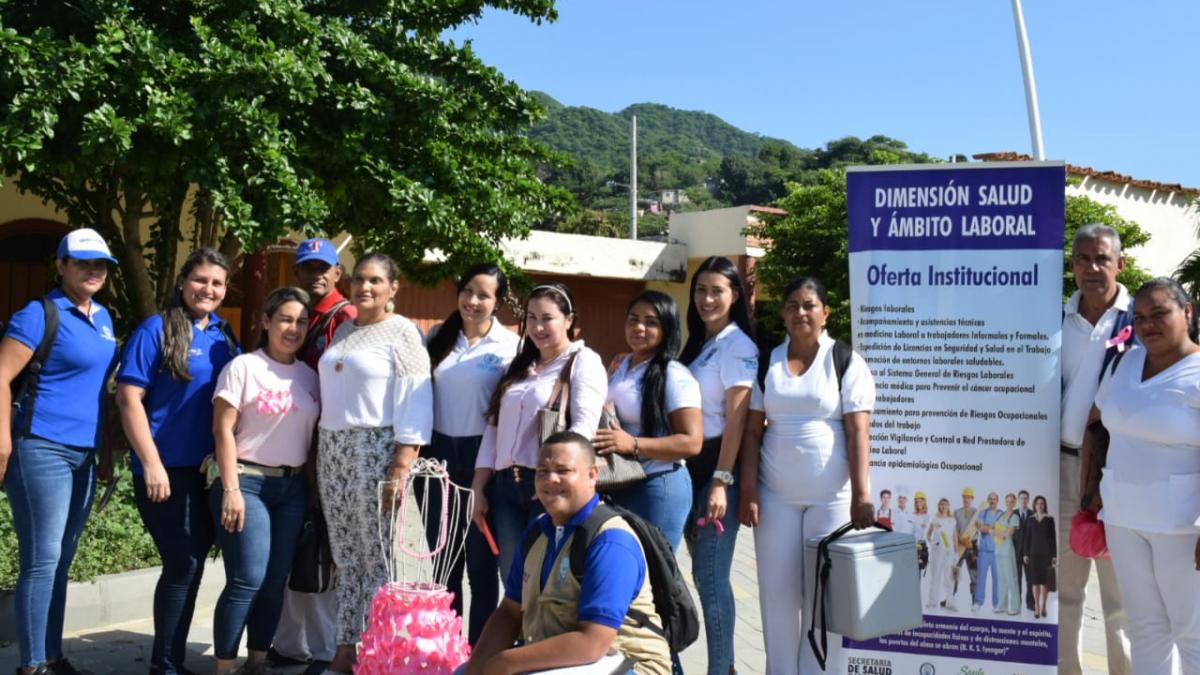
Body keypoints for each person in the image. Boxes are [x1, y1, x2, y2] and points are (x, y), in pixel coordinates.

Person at [738, 276, 875, 675]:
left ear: (825, 312)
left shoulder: (846, 360)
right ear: (782, 313)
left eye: (809, 304)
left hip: (832, 499)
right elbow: (751, 430)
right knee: (777, 598)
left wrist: (861, 495)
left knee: (823, 601)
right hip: (775, 498)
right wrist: (748, 489)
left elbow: (858, 430)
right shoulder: (770, 361)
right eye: (792, 305)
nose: (800, 312)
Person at [0, 229, 120, 675]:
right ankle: (32, 666)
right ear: (61, 265)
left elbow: (99, 391)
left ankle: (52, 656)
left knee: (63, 559)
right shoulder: (39, 314)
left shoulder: (104, 318)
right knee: (43, 558)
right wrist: (3, 441)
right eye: (83, 262)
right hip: (41, 448)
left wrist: (105, 453)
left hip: (84, 454)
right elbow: (1, 376)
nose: (93, 270)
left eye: (101, 264)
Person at [117, 248, 239, 675]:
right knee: (182, 562)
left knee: (191, 564)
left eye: (217, 283)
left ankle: (170, 658)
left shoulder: (224, 336)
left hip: (206, 473)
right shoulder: (157, 329)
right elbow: (129, 397)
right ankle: (164, 665)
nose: (208, 289)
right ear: (183, 282)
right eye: (200, 280)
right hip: (165, 471)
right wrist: (150, 463)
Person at [463, 431, 672, 675]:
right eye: (542, 471)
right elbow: (509, 612)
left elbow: (592, 644)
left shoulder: (611, 541)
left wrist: (504, 663)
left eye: (563, 471)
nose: (550, 479)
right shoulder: (538, 531)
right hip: (568, 662)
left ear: (592, 475)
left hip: (628, 665)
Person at [316, 253, 433, 674]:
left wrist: (402, 463)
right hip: (334, 452)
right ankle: (345, 648)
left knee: (380, 558)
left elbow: (416, 397)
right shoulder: (344, 330)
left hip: (377, 451)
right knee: (347, 556)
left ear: (393, 288)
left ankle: (381, 651)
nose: (365, 287)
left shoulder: (402, 332)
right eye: (359, 279)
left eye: (376, 281)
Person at [1086, 277, 1200, 674]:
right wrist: (1091, 494)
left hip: (1182, 526)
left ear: (1187, 313)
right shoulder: (1125, 361)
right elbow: (1098, 423)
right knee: (1146, 627)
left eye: (1160, 314)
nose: (1148, 324)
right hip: (1123, 518)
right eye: (1140, 317)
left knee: (1192, 633)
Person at [209, 287, 321, 675]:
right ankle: (225, 666)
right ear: (266, 322)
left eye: (302, 321)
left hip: (291, 490)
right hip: (247, 481)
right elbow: (223, 431)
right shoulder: (243, 368)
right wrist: (230, 489)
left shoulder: (309, 376)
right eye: (286, 319)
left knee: (275, 581)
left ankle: (257, 661)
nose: (294, 328)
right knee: (248, 578)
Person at [471, 282, 606, 587]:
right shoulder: (518, 366)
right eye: (531, 317)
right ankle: (519, 636)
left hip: (548, 488)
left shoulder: (582, 361)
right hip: (505, 488)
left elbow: (583, 429)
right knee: (514, 580)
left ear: (569, 320)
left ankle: (541, 637)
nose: (537, 326)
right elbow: (494, 430)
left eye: (547, 318)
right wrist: (479, 487)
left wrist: (552, 477)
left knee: (544, 580)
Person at [270, 237, 356, 669]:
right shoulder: (303, 316)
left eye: (325, 267)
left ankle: (327, 648)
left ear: (339, 272)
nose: (316, 274)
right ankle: (289, 642)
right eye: (307, 267)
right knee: (296, 544)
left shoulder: (346, 319)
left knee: (325, 550)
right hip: (295, 441)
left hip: (331, 447)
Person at [423, 262, 519, 643]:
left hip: (485, 462)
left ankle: (478, 651)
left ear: (498, 302)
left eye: (484, 295)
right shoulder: (437, 337)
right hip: (438, 456)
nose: (473, 300)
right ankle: (447, 649)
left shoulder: (512, 347)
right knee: (443, 563)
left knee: (481, 565)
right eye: (468, 291)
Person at [1059, 223, 1132, 674]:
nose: (1093, 268)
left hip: (1118, 475)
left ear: (1120, 264)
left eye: (1102, 258)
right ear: (1072, 266)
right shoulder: (1052, 320)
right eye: (1083, 259)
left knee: (1120, 597)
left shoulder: (1139, 321)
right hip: (1062, 467)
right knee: (1065, 588)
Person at [678, 256, 757, 675]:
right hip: (690, 469)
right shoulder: (701, 343)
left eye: (717, 291)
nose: (707, 299)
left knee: (710, 579)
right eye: (701, 291)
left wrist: (722, 481)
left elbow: (738, 420)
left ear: (735, 296)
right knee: (703, 575)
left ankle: (722, 668)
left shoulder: (737, 347)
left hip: (715, 470)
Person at [595, 290, 703, 552]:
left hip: (658, 483)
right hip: (619, 480)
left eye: (651, 322)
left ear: (667, 328)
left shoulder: (674, 374)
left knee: (655, 574)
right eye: (633, 319)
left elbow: (692, 442)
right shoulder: (620, 364)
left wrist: (632, 443)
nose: (639, 328)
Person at [1020, 495, 1056, 619]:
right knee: (1035, 582)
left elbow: (1052, 539)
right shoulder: (1030, 520)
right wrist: (1025, 553)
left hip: (1046, 555)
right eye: (1037, 503)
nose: (1040, 505)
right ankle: (1036, 606)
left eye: (1042, 503)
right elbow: (1027, 539)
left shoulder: (1050, 519)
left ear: (1044, 505)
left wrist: (1054, 556)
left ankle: (1044, 605)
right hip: (1033, 555)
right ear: (1034, 506)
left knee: (1045, 583)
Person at [949, 488, 979, 612]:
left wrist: (970, 542)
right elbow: (953, 528)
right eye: (964, 497)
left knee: (974, 574)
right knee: (955, 572)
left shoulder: (977, 512)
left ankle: (974, 601)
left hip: (972, 547)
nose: (966, 499)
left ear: (972, 499)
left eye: (968, 497)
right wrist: (960, 540)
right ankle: (951, 598)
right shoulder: (956, 512)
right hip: (959, 546)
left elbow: (979, 527)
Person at [993, 493, 1022, 616]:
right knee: (1001, 579)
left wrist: (994, 532)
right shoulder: (1000, 515)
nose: (1009, 503)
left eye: (1011, 501)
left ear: (1014, 503)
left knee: (1011, 579)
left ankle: (1015, 606)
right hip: (998, 551)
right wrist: (995, 531)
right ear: (1005, 502)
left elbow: (1007, 533)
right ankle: (1002, 605)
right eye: (1007, 501)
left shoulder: (1015, 517)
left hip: (1007, 551)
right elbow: (995, 529)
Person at [973, 492, 1002, 612]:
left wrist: (988, 527)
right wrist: (991, 528)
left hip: (997, 552)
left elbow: (1000, 530)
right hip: (984, 551)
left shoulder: (1001, 514)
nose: (992, 501)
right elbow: (981, 528)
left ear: (997, 500)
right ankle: (978, 602)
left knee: (997, 579)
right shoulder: (982, 513)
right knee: (981, 578)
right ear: (987, 500)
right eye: (990, 498)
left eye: (994, 499)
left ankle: (997, 603)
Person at [926, 498, 957, 610]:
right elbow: (928, 535)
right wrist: (933, 542)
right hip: (938, 550)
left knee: (949, 577)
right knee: (936, 576)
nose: (944, 506)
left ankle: (950, 602)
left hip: (949, 550)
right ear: (939, 506)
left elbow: (954, 537)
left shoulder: (952, 520)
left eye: (946, 504)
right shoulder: (935, 519)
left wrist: (956, 552)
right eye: (942, 504)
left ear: (949, 506)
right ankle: (932, 601)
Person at [1014, 490, 1035, 612]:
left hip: (1029, 554)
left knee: (1030, 579)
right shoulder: (1013, 514)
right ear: (1018, 499)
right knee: (1017, 579)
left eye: (1026, 498)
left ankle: (1030, 604)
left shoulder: (1033, 514)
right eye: (1021, 498)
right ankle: (1017, 603)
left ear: (1028, 500)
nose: (1023, 500)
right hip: (1016, 553)